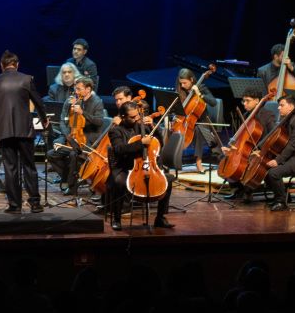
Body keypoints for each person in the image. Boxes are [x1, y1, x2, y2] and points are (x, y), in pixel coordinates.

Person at [0, 51, 47, 214]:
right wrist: (43, 118)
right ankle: (35, 203)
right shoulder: (26, 79)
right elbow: (38, 102)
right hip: (25, 129)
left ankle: (15, 205)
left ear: (1, 66)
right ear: (17, 65)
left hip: (5, 131)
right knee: (29, 167)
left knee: (11, 168)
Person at [106, 100, 173, 230]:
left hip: (146, 165)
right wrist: (141, 143)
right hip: (125, 167)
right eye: (132, 117)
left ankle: (160, 218)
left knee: (168, 180)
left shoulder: (143, 126)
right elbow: (120, 149)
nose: (136, 118)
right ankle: (117, 219)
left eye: (137, 115)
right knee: (119, 182)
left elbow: (158, 144)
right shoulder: (116, 131)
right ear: (123, 117)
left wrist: (154, 127)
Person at [46, 76, 104, 196]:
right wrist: (67, 135)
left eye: (79, 89)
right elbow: (63, 120)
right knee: (51, 154)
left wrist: (83, 112)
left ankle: (72, 187)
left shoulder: (97, 102)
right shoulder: (71, 100)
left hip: (88, 140)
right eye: (75, 89)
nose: (76, 92)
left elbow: (99, 122)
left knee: (74, 154)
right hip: (72, 137)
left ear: (88, 89)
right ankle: (69, 179)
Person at [219, 86, 275, 199]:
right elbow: (241, 137)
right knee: (225, 159)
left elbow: (272, 136)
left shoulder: (268, 115)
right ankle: (237, 190)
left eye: (247, 101)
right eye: (243, 101)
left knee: (246, 163)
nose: (244, 104)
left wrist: (261, 150)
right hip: (248, 149)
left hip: (261, 152)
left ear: (257, 101)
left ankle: (248, 191)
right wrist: (231, 149)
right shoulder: (245, 116)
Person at [175, 68, 220, 172]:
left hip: (202, 121)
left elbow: (213, 102)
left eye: (185, 83)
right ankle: (171, 159)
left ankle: (198, 161)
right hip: (186, 120)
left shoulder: (202, 88)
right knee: (167, 127)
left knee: (199, 129)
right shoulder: (181, 90)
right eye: (181, 83)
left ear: (191, 80)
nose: (182, 86)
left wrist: (199, 94)